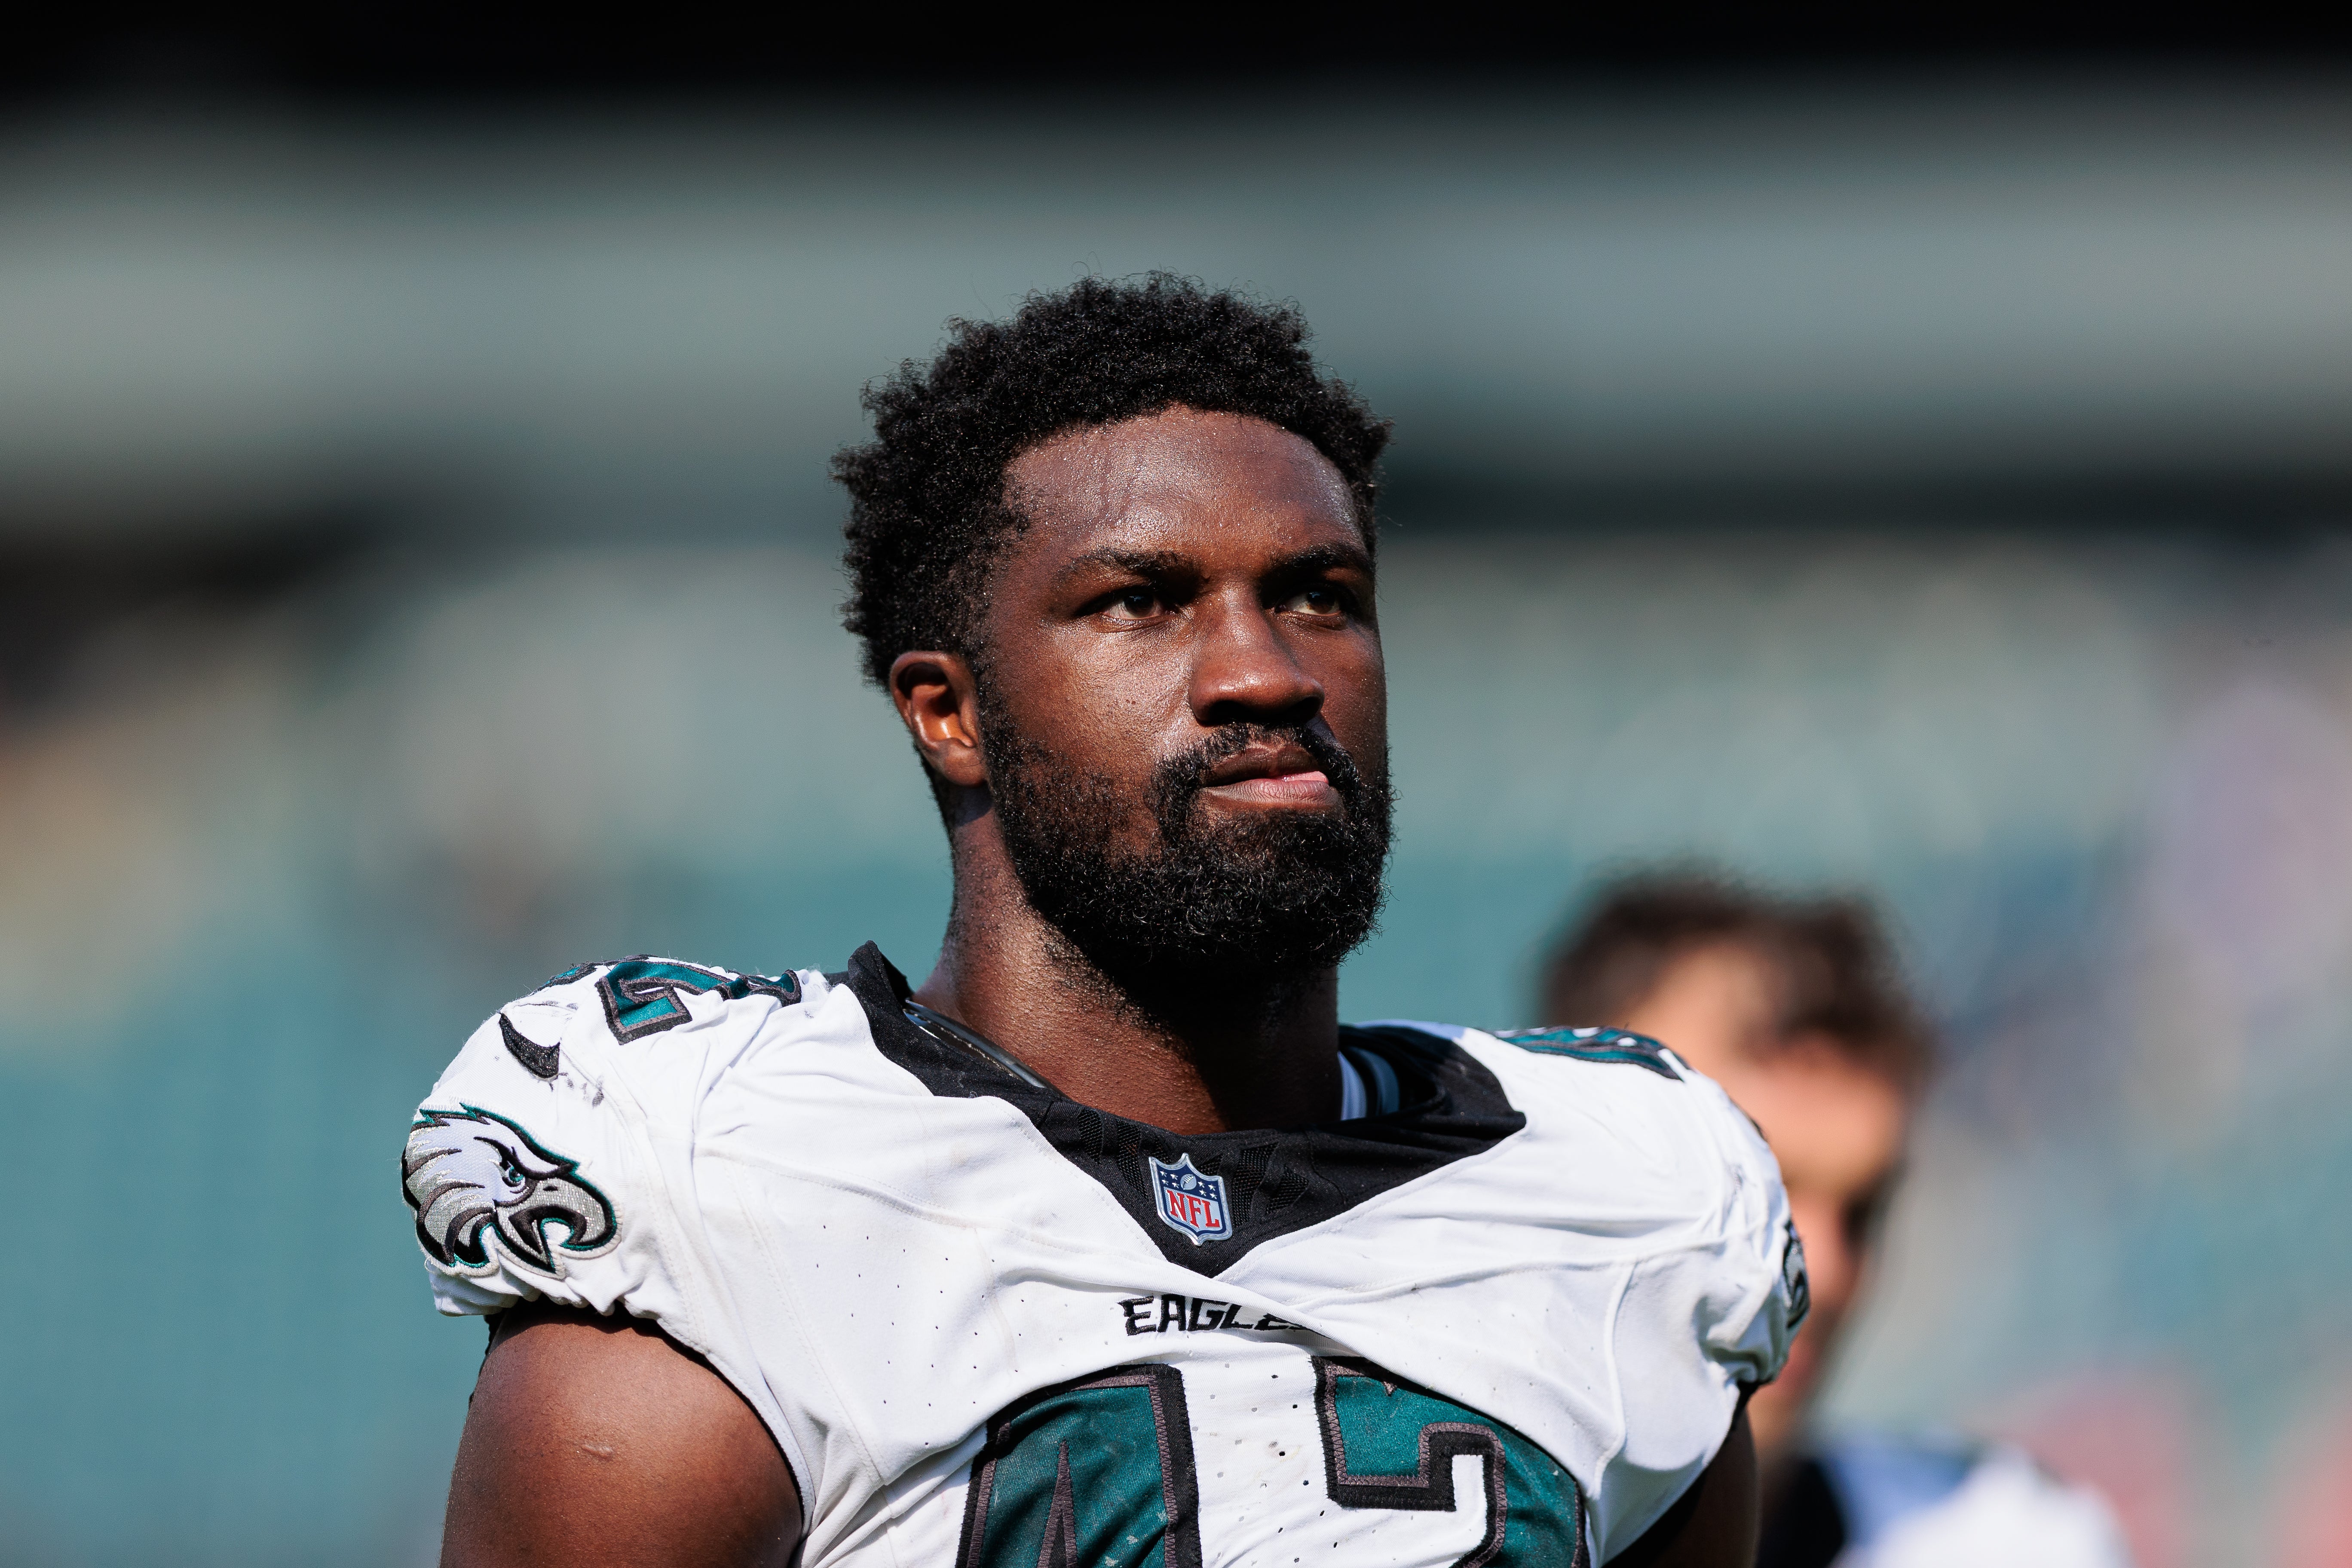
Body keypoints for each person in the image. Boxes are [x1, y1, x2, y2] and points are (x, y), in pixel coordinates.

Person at [402, 277, 1804, 1568]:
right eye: (1142, 600)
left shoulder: (1620, 1201)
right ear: (947, 710)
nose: (1263, 670)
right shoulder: (732, 1178)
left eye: (1321, 595)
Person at [1541, 874, 2135, 1568]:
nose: (1822, 1268)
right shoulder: (1405, 1533)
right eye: (1755, 1190)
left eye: (1864, 1211)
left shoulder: (2005, 1541)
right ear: (1563, 1161)